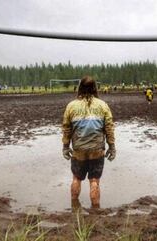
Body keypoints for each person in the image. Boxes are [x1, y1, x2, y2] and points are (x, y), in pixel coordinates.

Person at [62, 76, 116, 209]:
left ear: (80, 87)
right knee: (94, 180)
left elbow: (66, 128)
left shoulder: (71, 106)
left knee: (76, 178)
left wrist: (65, 146)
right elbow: (109, 127)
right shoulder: (103, 105)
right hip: (96, 149)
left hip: (78, 148)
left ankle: (74, 207)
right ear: (94, 88)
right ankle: (95, 210)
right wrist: (112, 146)